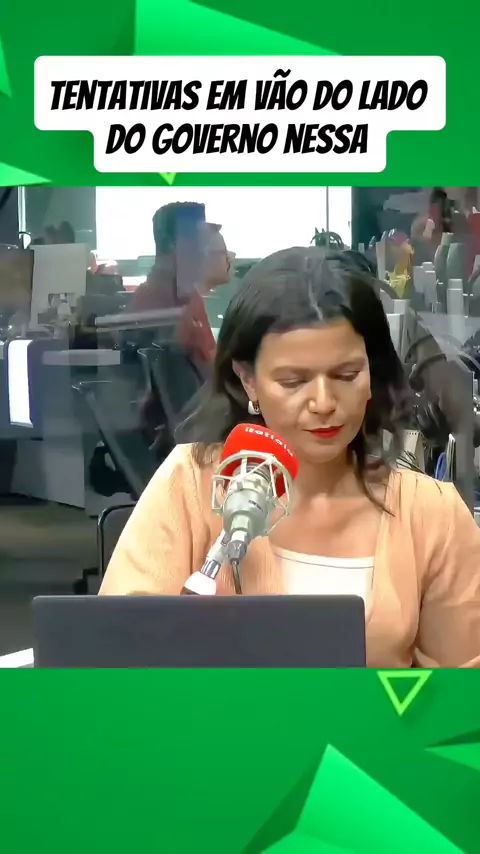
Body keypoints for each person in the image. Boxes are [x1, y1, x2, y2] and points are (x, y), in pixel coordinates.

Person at [100, 246, 480, 668]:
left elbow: (460, 693)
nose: (324, 402)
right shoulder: (189, 485)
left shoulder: (431, 514)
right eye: (293, 381)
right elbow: (115, 658)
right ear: (248, 380)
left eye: (346, 375)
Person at [131, 202, 230, 370]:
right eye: (197, 240)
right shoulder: (160, 302)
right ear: (172, 244)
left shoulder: (185, 294)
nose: (203, 251)